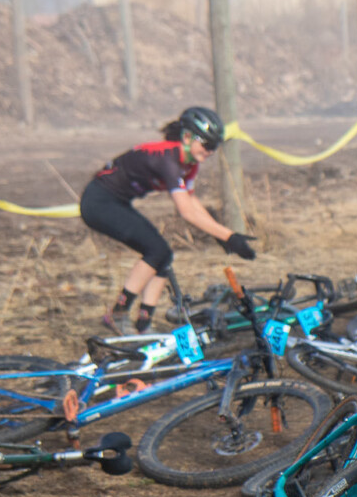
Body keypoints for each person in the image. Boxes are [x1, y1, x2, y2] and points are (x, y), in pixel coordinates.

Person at [85, 105, 255, 334]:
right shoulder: (169, 159)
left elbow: (193, 203)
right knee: (155, 251)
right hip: (98, 202)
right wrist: (228, 236)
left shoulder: (189, 164)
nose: (211, 151)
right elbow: (185, 211)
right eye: (207, 144)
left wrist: (222, 234)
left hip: (116, 201)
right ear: (187, 137)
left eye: (215, 147)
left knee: (163, 256)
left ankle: (144, 325)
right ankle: (117, 315)